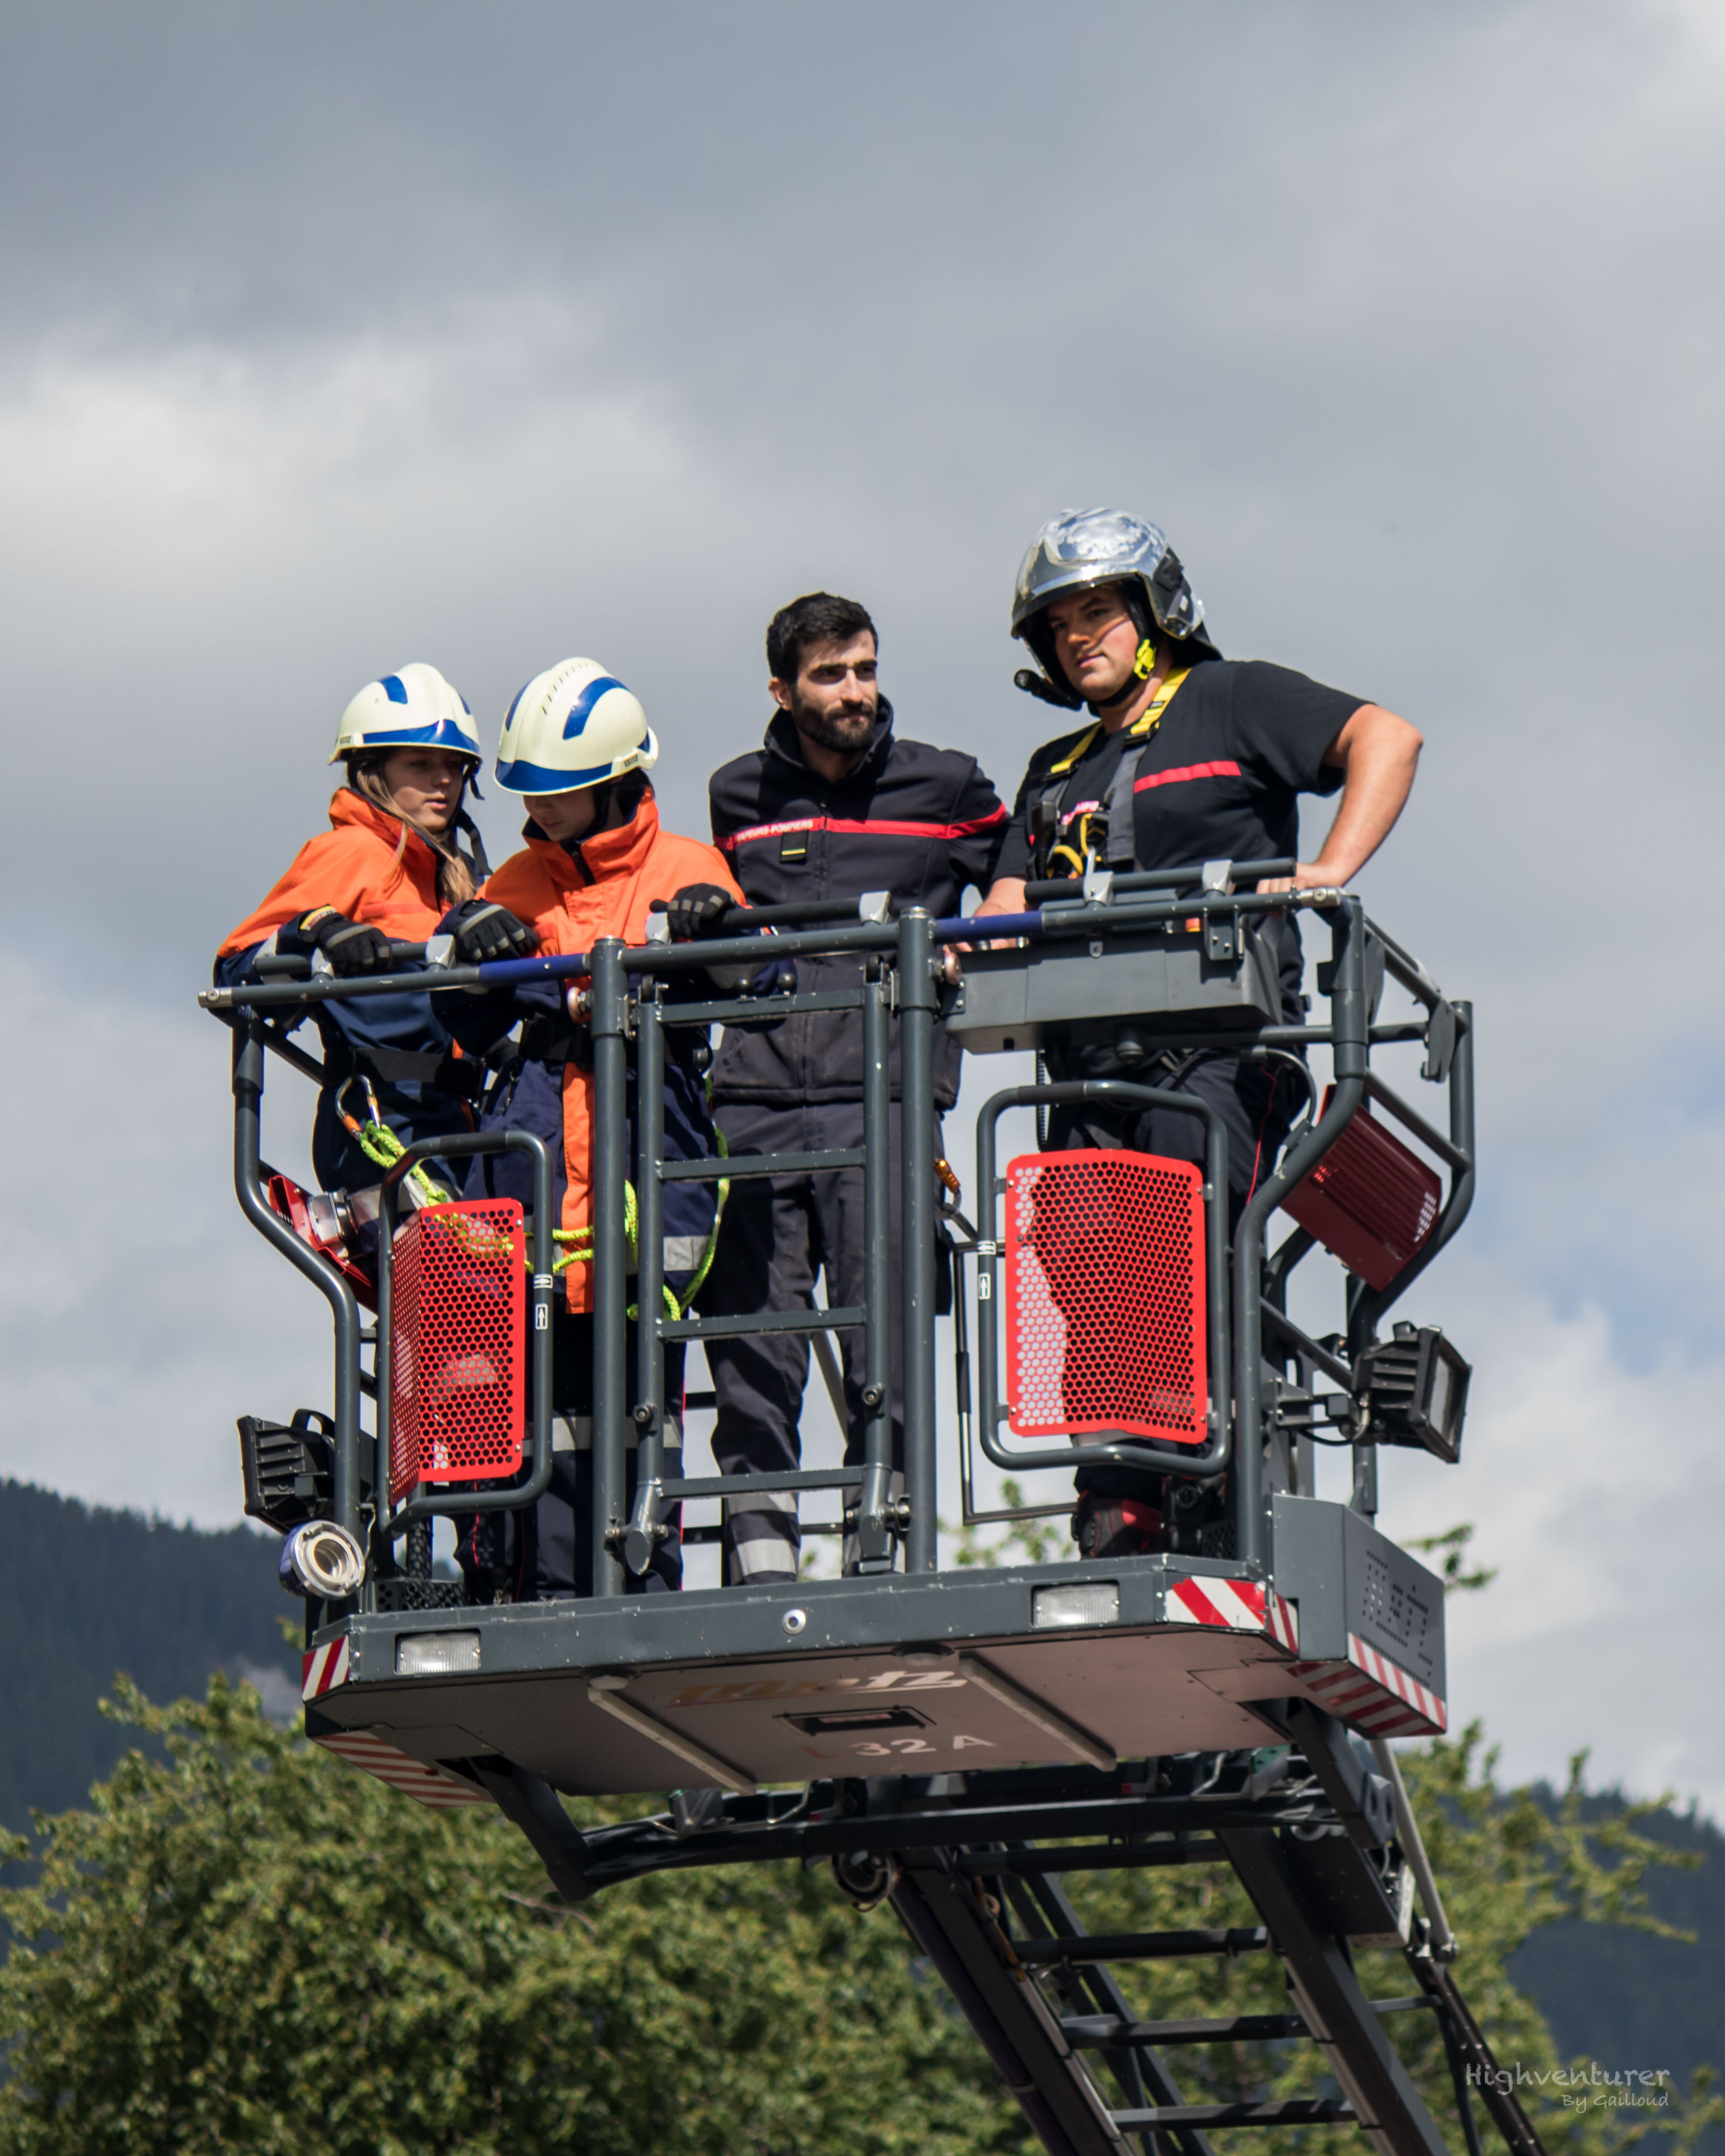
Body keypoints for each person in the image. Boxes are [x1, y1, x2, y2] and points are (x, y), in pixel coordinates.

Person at [976, 508, 1423, 1560]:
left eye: (1098, 613)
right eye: (1059, 626)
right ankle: (1121, 1493)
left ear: (1156, 612)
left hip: (1221, 1054)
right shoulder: (1055, 768)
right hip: (1086, 1064)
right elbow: (1004, 898)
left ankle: (1214, 1473)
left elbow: (1386, 738)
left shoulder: (1232, 699)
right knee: (1083, 1272)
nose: (1078, 638)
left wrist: (1326, 871)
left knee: (1185, 1246)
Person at [702, 592, 1010, 1584]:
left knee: (888, 1346)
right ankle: (761, 1567)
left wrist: (980, 932)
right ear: (781, 691)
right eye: (830, 675)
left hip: (887, 1100)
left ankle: (880, 1554)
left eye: (865, 669)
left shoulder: (948, 783)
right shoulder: (736, 795)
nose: (854, 692)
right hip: (752, 1105)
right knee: (754, 1350)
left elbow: (1018, 864)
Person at [452, 658, 769, 1601]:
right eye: (530, 793)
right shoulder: (516, 881)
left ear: (618, 779)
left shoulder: (687, 869)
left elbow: (757, 978)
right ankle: (548, 1594)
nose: (539, 810)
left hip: (648, 1151)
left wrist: (718, 933)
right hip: (540, 1157)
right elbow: (460, 1021)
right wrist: (471, 948)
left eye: (559, 791)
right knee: (544, 1412)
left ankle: (645, 1591)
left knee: (641, 1406)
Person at [215, 662, 537, 1199]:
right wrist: (311, 931)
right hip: (379, 1124)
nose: (443, 780)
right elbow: (233, 976)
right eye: (421, 764)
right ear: (372, 771)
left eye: (455, 766)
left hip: (461, 1121)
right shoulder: (349, 852)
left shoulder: (461, 876)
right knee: (454, 1256)